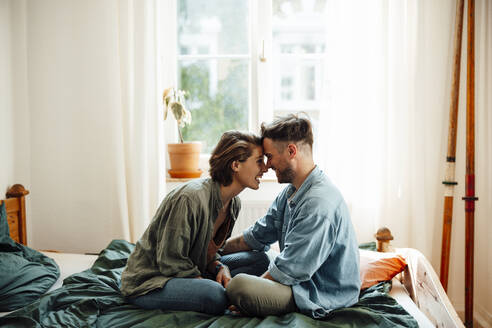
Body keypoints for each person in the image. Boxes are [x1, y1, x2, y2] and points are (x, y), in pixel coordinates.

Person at [223, 114, 361, 318]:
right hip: (297, 279)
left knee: (239, 286)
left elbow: (290, 270)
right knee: (253, 257)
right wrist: (214, 252)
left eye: (269, 156)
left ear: (291, 151)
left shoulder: (319, 203)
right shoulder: (291, 192)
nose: (266, 165)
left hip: (316, 293)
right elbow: (256, 235)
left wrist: (254, 293)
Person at [120, 131, 268, 315]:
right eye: (259, 161)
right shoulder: (190, 198)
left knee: (260, 259)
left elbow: (210, 253)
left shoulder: (233, 204)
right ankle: (227, 294)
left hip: (192, 268)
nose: (265, 168)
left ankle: (224, 289)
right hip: (152, 280)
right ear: (236, 165)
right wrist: (204, 282)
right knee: (215, 296)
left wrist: (221, 268)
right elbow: (170, 261)